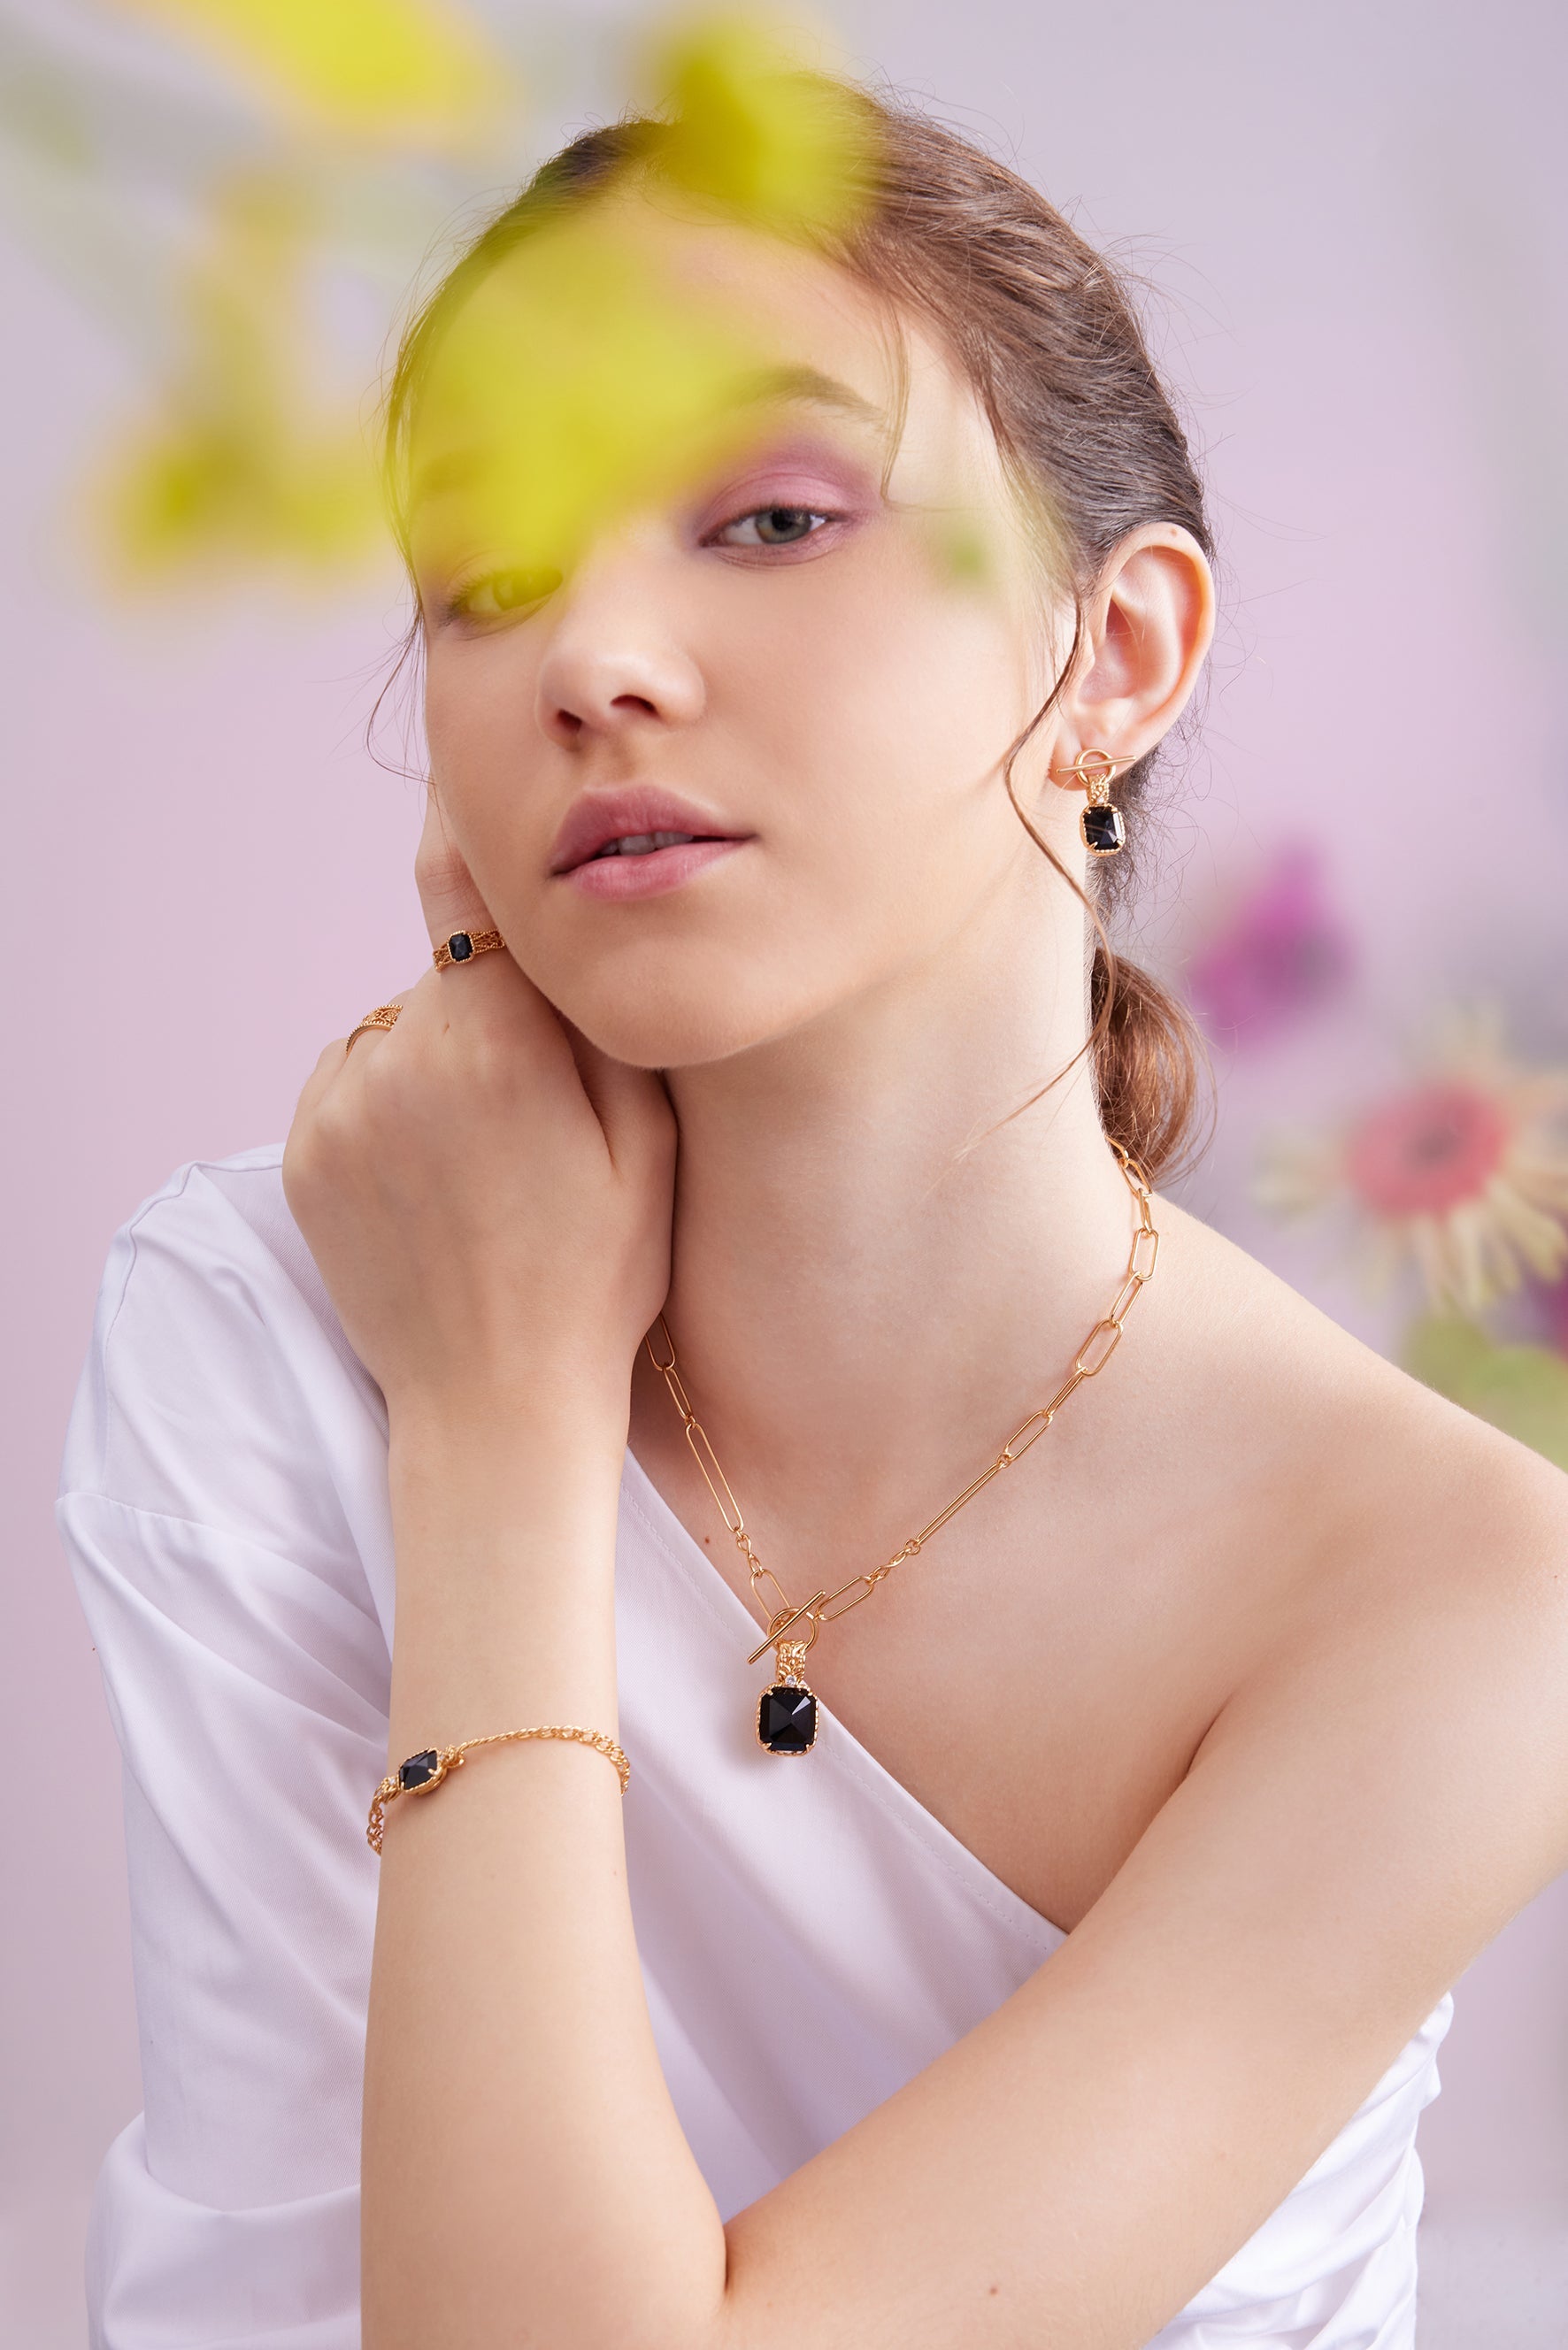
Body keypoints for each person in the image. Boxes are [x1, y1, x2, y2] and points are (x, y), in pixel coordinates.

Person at [58, 81, 1568, 2350]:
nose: (591, 657)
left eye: (765, 517)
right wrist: (487, 1402)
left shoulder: (1456, 1591)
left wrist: (491, 1427)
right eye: (484, 575)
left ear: (1114, 656)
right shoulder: (261, 1320)